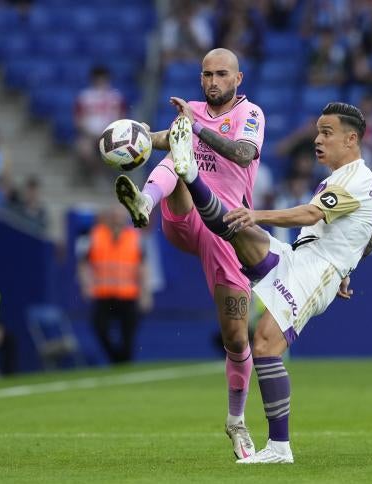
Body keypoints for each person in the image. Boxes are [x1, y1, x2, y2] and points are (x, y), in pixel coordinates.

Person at [168, 102, 372, 464]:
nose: (317, 139)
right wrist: (351, 266)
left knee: (265, 343)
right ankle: (189, 174)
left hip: (316, 269)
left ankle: (279, 448)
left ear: (351, 139)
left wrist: (261, 213)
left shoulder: (358, 177)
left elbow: (313, 213)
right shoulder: (345, 177)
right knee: (236, 228)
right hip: (300, 258)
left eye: (326, 133)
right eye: (317, 131)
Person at [113, 48, 265, 460]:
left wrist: (193, 127)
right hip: (185, 218)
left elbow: (242, 154)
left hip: (225, 229)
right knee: (176, 153)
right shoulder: (192, 111)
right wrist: (140, 134)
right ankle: (144, 202)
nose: (212, 82)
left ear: (238, 78)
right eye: (206, 75)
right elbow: (171, 137)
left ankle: (236, 421)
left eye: (221, 74)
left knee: (236, 338)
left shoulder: (251, 115)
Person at [78, 207, 152, 364]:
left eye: (119, 217)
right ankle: (115, 359)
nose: (116, 220)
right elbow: (83, 263)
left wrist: (145, 293)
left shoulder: (134, 237)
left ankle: (124, 362)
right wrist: (86, 284)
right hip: (103, 294)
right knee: (99, 328)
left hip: (128, 294)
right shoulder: (96, 235)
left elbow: (143, 266)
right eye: (114, 216)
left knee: (128, 335)